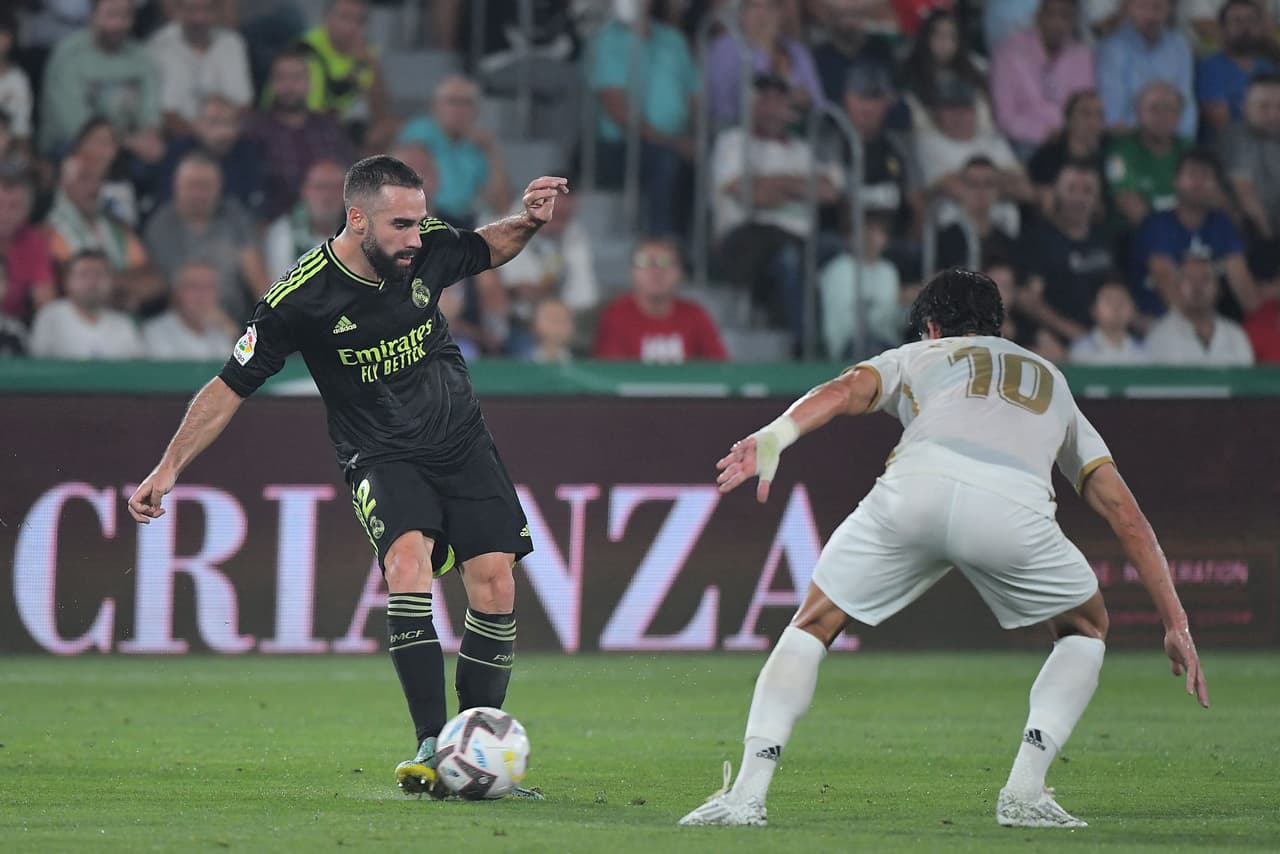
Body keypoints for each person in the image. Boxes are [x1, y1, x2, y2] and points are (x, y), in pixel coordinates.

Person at [677, 267, 1209, 830]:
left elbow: (838, 393)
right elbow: (1124, 514)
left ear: (931, 327)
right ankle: (1024, 793)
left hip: (916, 490)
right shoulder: (1051, 378)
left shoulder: (917, 355)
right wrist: (1175, 620)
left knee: (812, 624)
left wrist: (775, 435)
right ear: (998, 327)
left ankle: (746, 796)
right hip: (1014, 508)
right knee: (1086, 628)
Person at [126, 155, 567, 800]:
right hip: (381, 452)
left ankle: (471, 745)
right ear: (357, 218)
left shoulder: (428, 250)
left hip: (462, 440)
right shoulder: (298, 298)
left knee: (495, 582)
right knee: (408, 566)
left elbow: (486, 247)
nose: (417, 237)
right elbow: (230, 384)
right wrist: (168, 466)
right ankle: (431, 741)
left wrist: (527, 221)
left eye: (420, 222)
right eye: (401, 225)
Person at [586, 0, 699, 237]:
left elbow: (695, 100)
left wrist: (695, 139)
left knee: (709, 158)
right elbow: (619, 112)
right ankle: (662, 241)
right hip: (621, 146)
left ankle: (700, 250)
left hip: (675, 142)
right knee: (665, 160)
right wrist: (674, 144)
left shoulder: (673, 40)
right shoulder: (607, 40)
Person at [38, 0, 164, 161]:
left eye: (125, 16)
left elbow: (151, 114)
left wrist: (149, 137)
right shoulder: (68, 56)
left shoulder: (142, 58)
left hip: (128, 147)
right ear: (93, 16)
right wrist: (127, 142)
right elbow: (75, 124)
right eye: (111, 15)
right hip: (72, 145)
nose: (118, 24)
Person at [247, 47, 356, 221]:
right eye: (281, 78)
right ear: (272, 84)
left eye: (296, 78)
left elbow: (350, 178)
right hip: (277, 223)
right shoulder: (256, 131)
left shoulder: (329, 128)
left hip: (331, 222)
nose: (289, 86)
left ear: (309, 83)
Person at [397, 75, 511, 228]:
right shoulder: (419, 134)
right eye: (452, 102)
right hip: (425, 216)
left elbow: (501, 205)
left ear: (476, 110)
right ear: (436, 106)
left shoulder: (480, 145)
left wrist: (492, 152)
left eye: (466, 103)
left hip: (466, 221)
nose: (459, 110)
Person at [593, 236, 728, 363]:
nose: (655, 271)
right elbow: (610, 376)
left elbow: (720, 369)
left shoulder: (695, 315)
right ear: (633, 272)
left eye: (665, 262)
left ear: (680, 272)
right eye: (644, 262)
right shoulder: (616, 316)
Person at [991, 0, 1096, 157]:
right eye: (1050, 14)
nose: (1057, 22)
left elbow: (1086, 108)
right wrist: (1043, 133)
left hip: (1072, 142)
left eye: (1065, 16)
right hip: (1025, 142)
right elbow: (1005, 118)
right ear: (1038, 16)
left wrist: (1066, 135)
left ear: (1074, 21)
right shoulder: (1009, 54)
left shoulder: (1082, 56)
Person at [148, 0, 254, 137]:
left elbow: (244, 104)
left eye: (207, 9)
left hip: (229, 136)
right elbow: (167, 113)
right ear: (178, 11)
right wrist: (201, 138)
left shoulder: (233, 43)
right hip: (182, 138)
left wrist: (224, 133)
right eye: (192, 10)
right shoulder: (158, 47)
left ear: (216, 12)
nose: (199, 18)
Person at [1096, 0, 1196, 139]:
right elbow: (1112, 113)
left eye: (1157, 6)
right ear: (1127, 8)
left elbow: (1186, 102)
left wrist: (1183, 141)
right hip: (1128, 139)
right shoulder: (1111, 48)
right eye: (1141, 7)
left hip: (1173, 140)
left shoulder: (1179, 46)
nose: (1150, 15)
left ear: (1170, 9)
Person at [29, 249, 144, 359]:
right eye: (84, 274)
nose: (92, 282)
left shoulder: (124, 325)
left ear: (111, 281)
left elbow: (138, 371)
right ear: (67, 281)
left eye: (100, 274)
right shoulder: (50, 317)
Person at [1145, 252, 1255, 365]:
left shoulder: (1235, 335)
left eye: (1205, 278)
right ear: (1177, 286)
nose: (1197, 286)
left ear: (1218, 287)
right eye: (1189, 278)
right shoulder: (1160, 336)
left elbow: (1245, 381)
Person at [1197, 0, 1276, 137]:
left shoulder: (1269, 68)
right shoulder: (1209, 67)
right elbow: (1222, 124)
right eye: (1237, 21)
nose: (1246, 27)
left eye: (1251, 21)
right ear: (1223, 28)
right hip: (1226, 150)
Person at [142, 260, 239, 359]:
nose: (201, 295)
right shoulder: (155, 332)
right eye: (193, 286)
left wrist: (232, 333)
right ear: (176, 293)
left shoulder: (222, 332)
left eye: (208, 287)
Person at [1068, 278, 1149, 364]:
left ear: (1133, 309)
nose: (1116, 308)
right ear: (1093, 309)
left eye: (1121, 301)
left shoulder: (1144, 353)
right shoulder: (1080, 352)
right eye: (1109, 301)